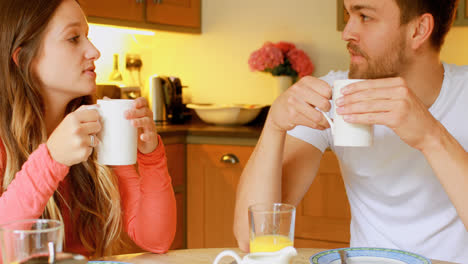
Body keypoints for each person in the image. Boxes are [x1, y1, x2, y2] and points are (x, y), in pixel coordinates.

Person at [234, 0, 468, 262]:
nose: (347, 32)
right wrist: (274, 126)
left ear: (419, 30)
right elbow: (250, 237)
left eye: (365, 16)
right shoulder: (331, 95)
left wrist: (431, 137)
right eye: (348, 15)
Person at [0, 0, 176, 259]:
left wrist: (151, 158)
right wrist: (51, 160)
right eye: (73, 38)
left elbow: (156, 239)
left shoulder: (100, 130)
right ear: (24, 58)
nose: (94, 51)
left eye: (87, 37)